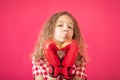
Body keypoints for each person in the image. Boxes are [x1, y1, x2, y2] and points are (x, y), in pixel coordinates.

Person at [32, 11, 87, 80]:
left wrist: (66, 70)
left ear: (74, 33)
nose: (65, 29)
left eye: (70, 27)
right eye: (60, 25)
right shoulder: (39, 59)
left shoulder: (79, 59)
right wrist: (54, 70)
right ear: (51, 30)